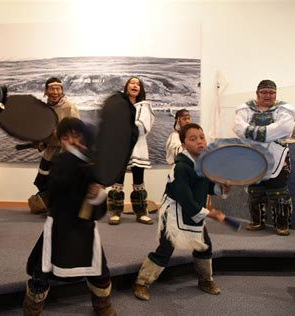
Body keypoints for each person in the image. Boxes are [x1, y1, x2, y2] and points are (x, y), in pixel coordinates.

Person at [24, 117, 116, 316]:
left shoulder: (93, 165)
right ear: (60, 141)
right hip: (59, 226)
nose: (72, 141)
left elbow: (98, 213)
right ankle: (32, 310)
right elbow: (55, 185)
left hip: (85, 229)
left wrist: (97, 194)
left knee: (99, 272)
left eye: (76, 135)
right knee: (42, 273)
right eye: (66, 138)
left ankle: (103, 307)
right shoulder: (60, 162)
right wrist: (79, 160)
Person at [133, 123, 229, 301]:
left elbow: (207, 187)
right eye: (193, 139)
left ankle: (205, 280)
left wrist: (221, 188)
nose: (200, 142)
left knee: (204, 246)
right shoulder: (182, 167)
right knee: (165, 249)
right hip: (175, 214)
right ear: (184, 144)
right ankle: (142, 282)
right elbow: (184, 198)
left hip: (194, 210)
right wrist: (210, 214)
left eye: (201, 137)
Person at [233, 80, 295, 236]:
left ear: (276, 94)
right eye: (264, 92)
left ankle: (282, 225)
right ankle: (257, 221)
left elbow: (285, 128)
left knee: (279, 192)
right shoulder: (245, 109)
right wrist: (268, 134)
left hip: (277, 156)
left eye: (271, 92)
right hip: (253, 157)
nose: (268, 95)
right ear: (257, 93)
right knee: (255, 192)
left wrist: (252, 132)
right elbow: (238, 128)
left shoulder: (284, 109)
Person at [28, 77, 80, 215]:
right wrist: (39, 142)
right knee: (41, 180)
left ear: (62, 91)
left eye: (58, 89)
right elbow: (41, 130)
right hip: (51, 150)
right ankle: (49, 204)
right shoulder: (44, 108)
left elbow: (76, 130)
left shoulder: (69, 107)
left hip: (65, 150)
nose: (55, 92)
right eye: (52, 88)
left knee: (61, 181)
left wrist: (61, 133)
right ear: (46, 91)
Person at [108, 77, 155, 225]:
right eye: (132, 83)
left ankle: (141, 212)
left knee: (139, 180)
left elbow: (142, 126)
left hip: (138, 147)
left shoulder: (144, 106)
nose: (135, 86)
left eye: (138, 84)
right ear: (127, 87)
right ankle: (115, 211)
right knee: (117, 180)